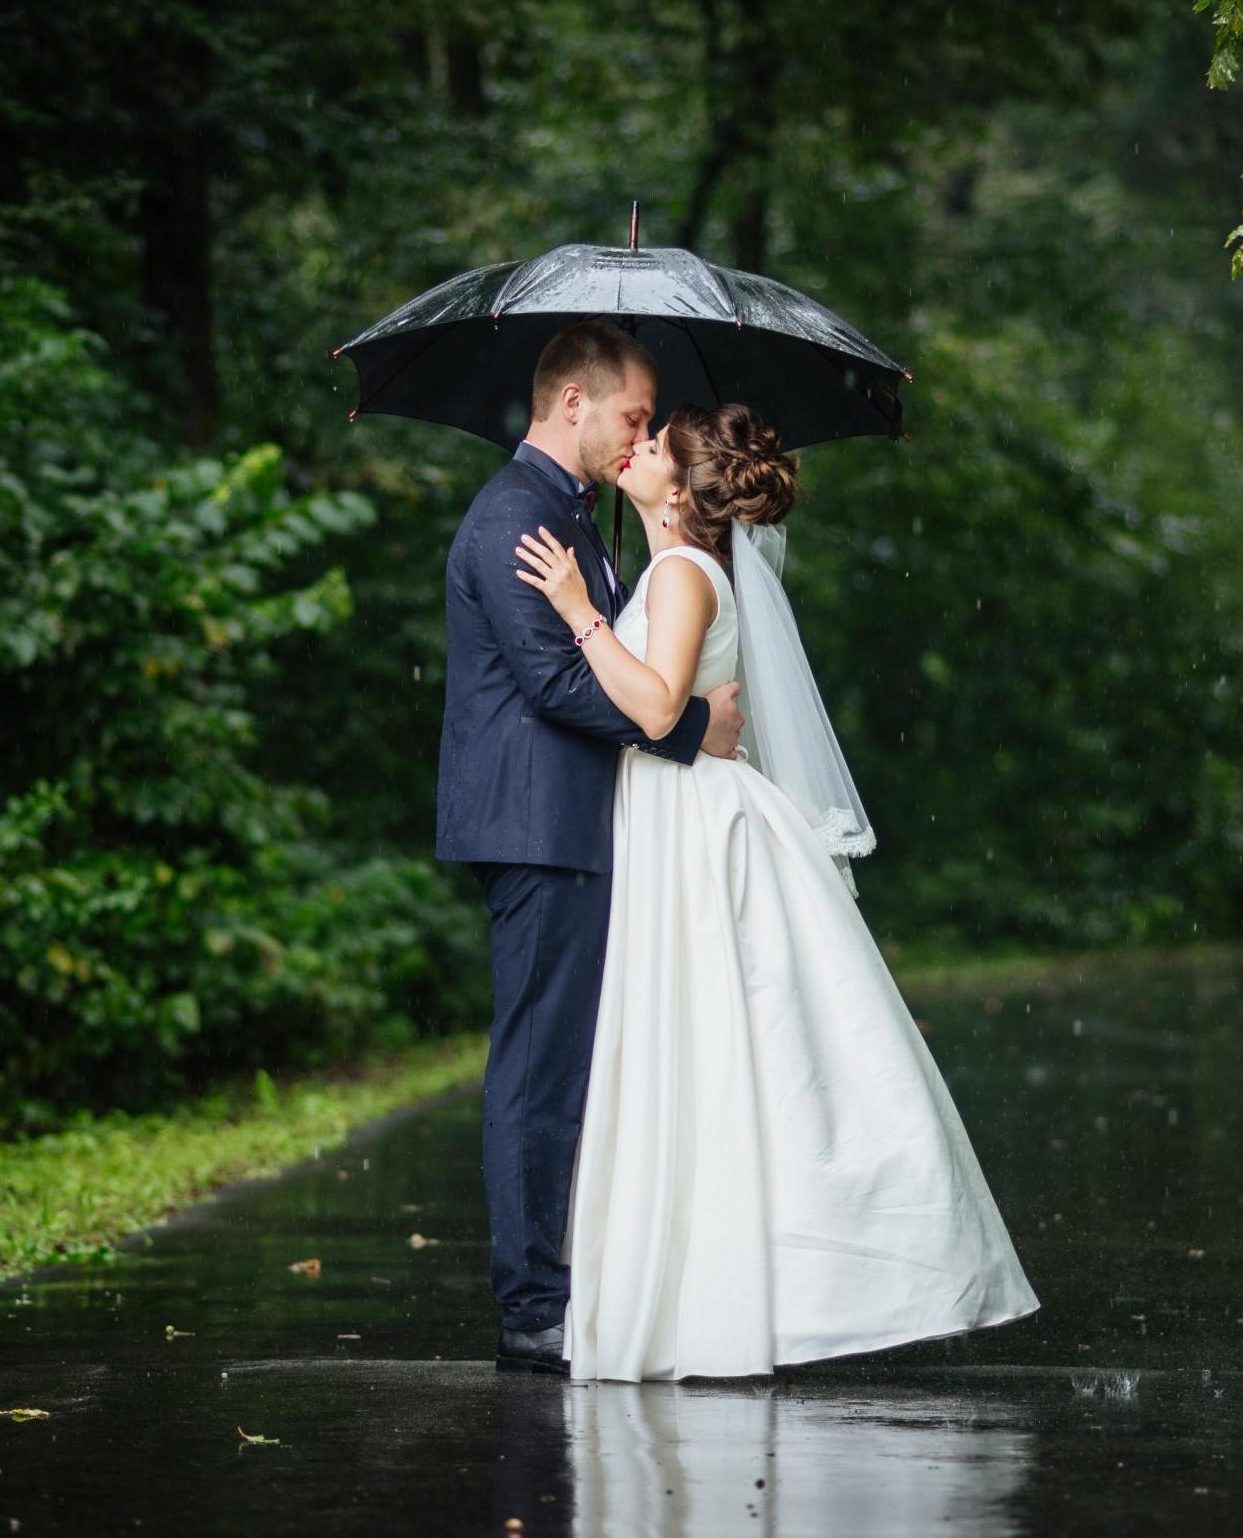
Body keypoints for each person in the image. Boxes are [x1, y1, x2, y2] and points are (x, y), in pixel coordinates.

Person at [510, 402, 1040, 1381]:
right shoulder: (684, 568)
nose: (633, 446)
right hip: (685, 809)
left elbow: (661, 704)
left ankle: (719, 1289)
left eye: (653, 442)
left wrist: (580, 610)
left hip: (688, 822)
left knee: (709, 1047)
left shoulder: (677, 572)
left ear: (678, 486)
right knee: (730, 1049)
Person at [435, 320, 747, 1375]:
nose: (638, 435)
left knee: (575, 1067)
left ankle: (573, 1280)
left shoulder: (573, 514)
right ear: (572, 401)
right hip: (537, 826)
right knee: (537, 1070)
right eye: (628, 415)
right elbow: (561, 684)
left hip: (575, 823)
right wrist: (692, 727)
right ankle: (531, 1306)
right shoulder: (513, 518)